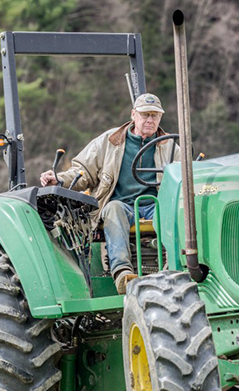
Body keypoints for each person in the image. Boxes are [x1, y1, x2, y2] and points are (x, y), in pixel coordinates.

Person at [40, 93, 180, 294]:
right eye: (145, 115)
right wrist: (59, 179)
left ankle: (173, 267)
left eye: (155, 116)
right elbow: (82, 171)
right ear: (134, 115)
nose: (150, 120)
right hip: (121, 205)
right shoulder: (109, 141)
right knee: (113, 208)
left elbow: (184, 174)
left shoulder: (169, 146)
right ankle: (122, 273)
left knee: (171, 212)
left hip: (153, 205)